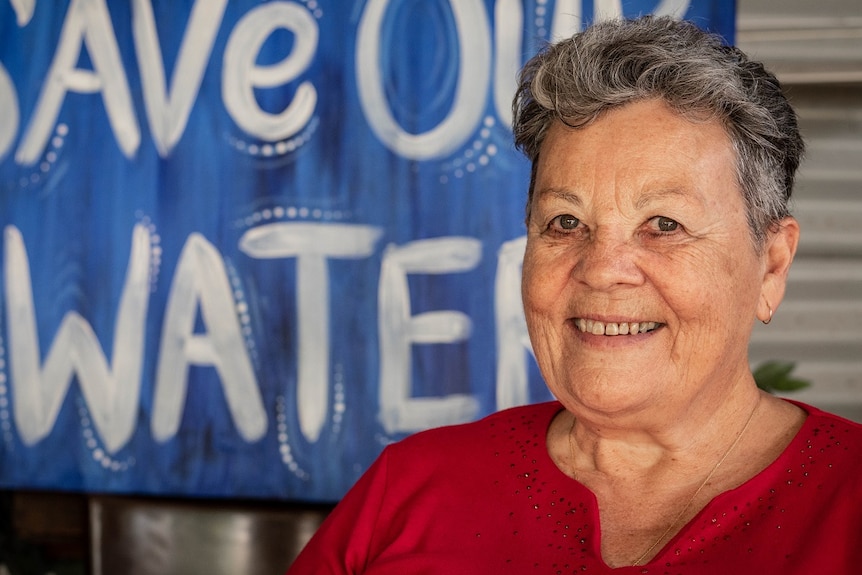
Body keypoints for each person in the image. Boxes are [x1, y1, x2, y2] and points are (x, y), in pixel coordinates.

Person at [287, 16, 862, 574]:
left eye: (663, 224)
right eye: (564, 223)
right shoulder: (410, 489)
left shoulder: (845, 499)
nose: (602, 270)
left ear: (772, 265)